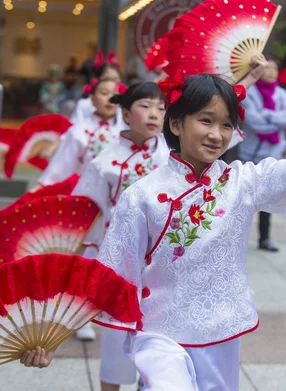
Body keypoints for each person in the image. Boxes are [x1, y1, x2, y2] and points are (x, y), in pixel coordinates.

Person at [20, 69, 286, 390]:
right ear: (177, 125)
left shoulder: (242, 181)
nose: (217, 134)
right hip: (159, 333)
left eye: (225, 124)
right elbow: (110, 272)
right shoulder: (142, 196)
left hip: (221, 329)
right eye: (205, 120)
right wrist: (55, 335)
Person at [73, 82, 168, 391]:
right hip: (119, 264)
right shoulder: (104, 162)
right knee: (116, 340)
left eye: (161, 107)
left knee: (159, 341)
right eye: (145, 106)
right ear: (126, 113)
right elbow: (86, 214)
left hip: (160, 263)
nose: (154, 114)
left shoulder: (172, 156)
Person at [238, 54, 286, 252]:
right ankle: (237, 237)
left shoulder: (281, 93)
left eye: (274, 69)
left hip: (273, 154)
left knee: (268, 199)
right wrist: (273, 121)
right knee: (244, 199)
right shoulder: (249, 92)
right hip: (250, 155)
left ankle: (264, 238)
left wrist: (267, 114)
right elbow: (254, 123)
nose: (271, 73)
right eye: (267, 68)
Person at [37, 78, 127, 188]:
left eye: (115, 94)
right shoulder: (79, 130)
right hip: (84, 192)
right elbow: (61, 167)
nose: (111, 98)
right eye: (104, 93)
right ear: (92, 100)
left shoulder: (127, 131)